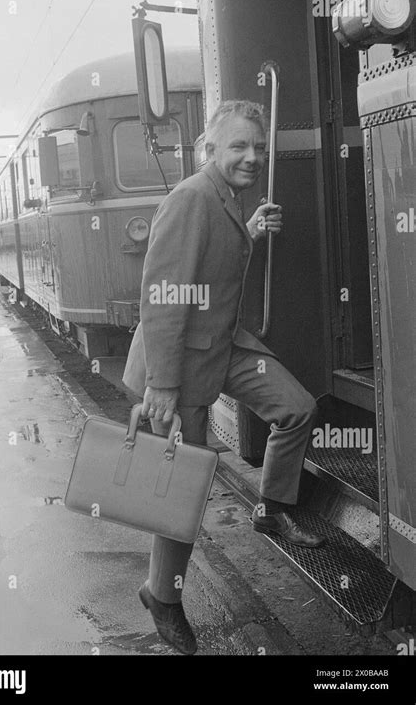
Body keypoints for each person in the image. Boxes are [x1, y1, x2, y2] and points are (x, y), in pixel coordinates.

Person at [123, 100, 324, 655]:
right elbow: (162, 297)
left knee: (297, 407)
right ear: (209, 150)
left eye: (258, 148)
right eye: (238, 146)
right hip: (180, 361)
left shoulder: (227, 199)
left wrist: (249, 233)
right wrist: (162, 384)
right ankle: (163, 596)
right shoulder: (190, 198)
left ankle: (274, 509)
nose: (252, 157)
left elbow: (213, 259)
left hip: (223, 345)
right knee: (180, 489)